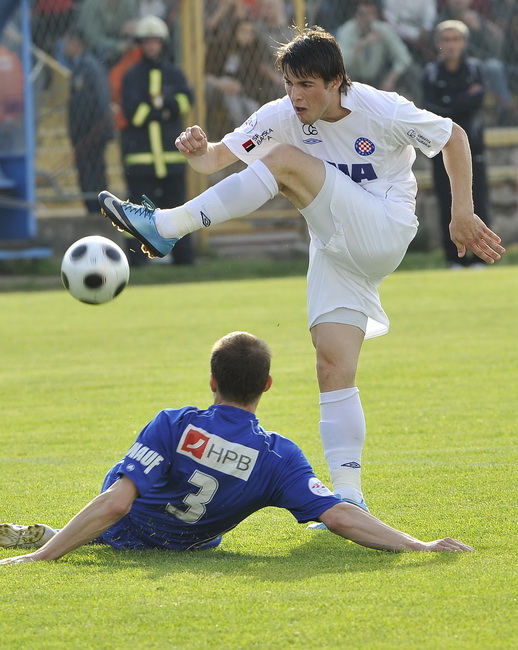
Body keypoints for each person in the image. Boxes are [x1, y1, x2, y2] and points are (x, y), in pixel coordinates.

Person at [98, 27, 505, 518]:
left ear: (337, 82)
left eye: (307, 84)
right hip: (335, 247)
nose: (295, 95)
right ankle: (350, 497)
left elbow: (453, 136)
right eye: (290, 83)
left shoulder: (381, 108)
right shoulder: (281, 114)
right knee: (333, 367)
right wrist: (199, 149)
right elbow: (217, 161)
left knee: (287, 162)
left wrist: (461, 211)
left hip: (385, 228)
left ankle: (164, 226)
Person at [0, 331, 474, 564]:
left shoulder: (174, 423)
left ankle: (52, 537)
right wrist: (418, 543)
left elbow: (117, 503)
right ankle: (54, 536)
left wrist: (42, 559)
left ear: (211, 380)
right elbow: (339, 516)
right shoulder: (278, 457)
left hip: (128, 528)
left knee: (125, 483)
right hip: (189, 543)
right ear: (267, 385)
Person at [120, 15, 195, 266]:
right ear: (141, 44)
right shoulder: (132, 76)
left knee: (179, 211)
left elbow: (186, 100)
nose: (152, 46)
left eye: (156, 41)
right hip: (141, 159)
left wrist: (156, 106)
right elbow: (134, 114)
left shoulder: (174, 74)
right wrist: (164, 109)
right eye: (147, 41)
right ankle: (137, 262)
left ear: (163, 43)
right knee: (139, 213)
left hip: (171, 157)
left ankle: (184, 259)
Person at [422, 20, 490, 269]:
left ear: (464, 43)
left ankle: (481, 257)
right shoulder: (430, 73)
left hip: (475, 147)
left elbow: (477, 101)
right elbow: (430, 109)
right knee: (447, 202)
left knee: (479, 201)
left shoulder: (475, 69)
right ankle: (454, 259)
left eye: (456, 39)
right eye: (446, 39)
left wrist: (449, 103)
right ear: (439, 43)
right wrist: (461, 100)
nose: (451, 45)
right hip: (443, 150)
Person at [63, 27, 114, 215]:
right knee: (86, 174)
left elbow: (101, 101)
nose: (64, 47)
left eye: (67, 42)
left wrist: (100, 132)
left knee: (94, 174)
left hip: (92, 133)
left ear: (77, 44)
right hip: (82, 135)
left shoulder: (90, 67)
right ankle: (92, 210)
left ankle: (99, 212)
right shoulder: (79, 67)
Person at [336, 0, 412, 93]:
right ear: (356, 15)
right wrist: (362, 44)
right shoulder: (346, 31)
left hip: (377, 80)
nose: (367, 18)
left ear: (375, 15)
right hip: (352, 81)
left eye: (371, 13)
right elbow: (341, 63)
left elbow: (404, 57)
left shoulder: (383, 30)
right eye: (363, 14)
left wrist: (390, 79)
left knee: (412, 73)